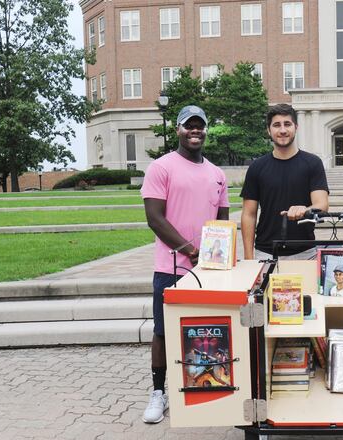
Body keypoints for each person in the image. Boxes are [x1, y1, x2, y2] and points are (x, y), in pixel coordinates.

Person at [140, 104, 230, 424]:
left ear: (205, 130)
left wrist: (220, 255)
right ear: (178, 129)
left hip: (208, 269)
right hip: (171, 267)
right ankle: (158, 393)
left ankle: (207, 387)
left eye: (199, 126)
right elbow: (154, 218)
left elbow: (223, 221)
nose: (195, 130)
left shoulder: (217, 174)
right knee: (163, 332)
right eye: (188, 125)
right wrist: (190, 250)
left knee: (207, 330)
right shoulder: (161, 168)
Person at [240, 103, 329, 260]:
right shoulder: (257, 167)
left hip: (305, 252)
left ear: (296, 127)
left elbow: (322, 205)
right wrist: (248, 258)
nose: (282, 130)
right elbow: (249, 214)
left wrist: (305, 209)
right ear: (269, 130)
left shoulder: (313, 163)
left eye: (287, 124)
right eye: (276, 125)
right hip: (266, 252)